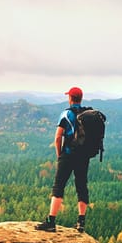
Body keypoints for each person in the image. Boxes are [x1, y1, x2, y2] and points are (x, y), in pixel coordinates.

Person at [35, 87, 90, 233]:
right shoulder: (87, 114)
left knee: (58, 186)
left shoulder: (66, 114)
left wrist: (59, 154)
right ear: (81, 98)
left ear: (70, 98)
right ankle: (81, 222)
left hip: (68, 154)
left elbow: (58, 137)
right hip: (83, 156)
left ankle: (51, 222)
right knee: (81, 186)